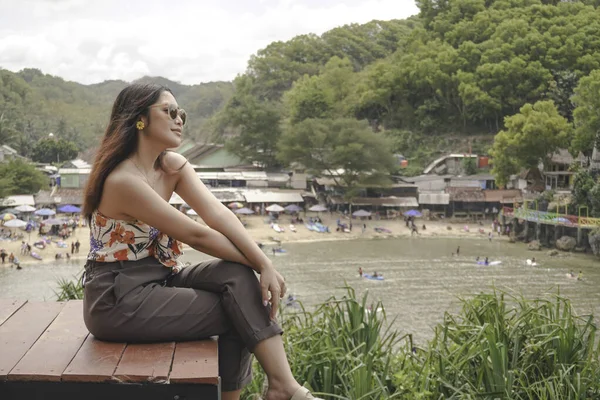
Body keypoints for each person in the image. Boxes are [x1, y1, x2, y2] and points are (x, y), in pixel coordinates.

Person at [80, 83, 321, 400]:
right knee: (240, 308)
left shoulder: (172, 167)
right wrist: (263, 264)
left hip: (161, 280)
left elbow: (218, 215)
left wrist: (262, 264)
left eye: (182, 113)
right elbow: (195, 234)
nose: (178, 119)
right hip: (117, 298)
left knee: (236, 275)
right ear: (139, 119)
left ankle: (282, 386)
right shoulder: (124, 180)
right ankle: (281, 389)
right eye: (169, 111)